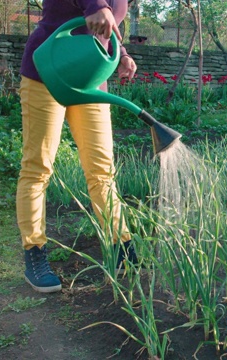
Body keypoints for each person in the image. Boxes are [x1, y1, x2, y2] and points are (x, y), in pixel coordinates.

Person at [18, 0, 137, 293]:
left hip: (91, 78)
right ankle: (34, 253)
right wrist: (96, 5)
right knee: (38, 167)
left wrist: (120, 53)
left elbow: (103, 30)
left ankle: (121, 248)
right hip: (49, 68)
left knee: (102, 170)